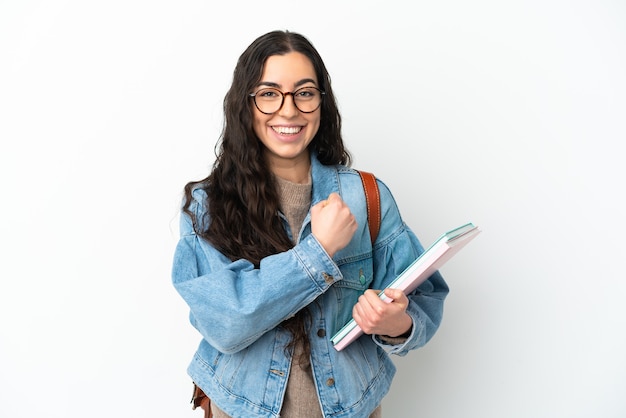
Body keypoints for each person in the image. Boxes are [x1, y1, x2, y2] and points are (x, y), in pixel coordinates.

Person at [171, 30, 449, 418]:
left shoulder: (367, 197)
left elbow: (423, 301)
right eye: (269, 94)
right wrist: (318, 252)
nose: (288, 111)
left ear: (321, 102)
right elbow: (226, 323)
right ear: (244, 104)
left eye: (304, 92)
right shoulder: (208, 205)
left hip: (353, 408)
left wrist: (395, 322)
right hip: (239, 409)